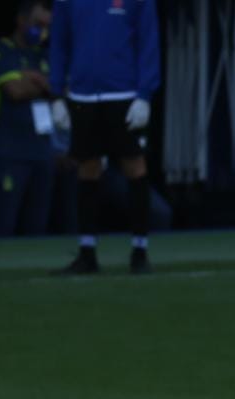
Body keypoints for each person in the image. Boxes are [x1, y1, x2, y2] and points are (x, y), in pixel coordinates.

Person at [49, 0, 159, 274]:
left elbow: (148, 40)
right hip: (82, 95)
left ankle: (140, 251)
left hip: (123, 93)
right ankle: (87, 253)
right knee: (87, 168)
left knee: (134, 166)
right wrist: (56, 93)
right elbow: (59, 42)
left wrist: (145, 94)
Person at [0, 1, 57, 237]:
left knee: (37, 228)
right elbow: (15, 90)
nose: (42, 31)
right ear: (21, 20)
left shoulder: (47, 55)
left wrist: (34, 79)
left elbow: (63, 87)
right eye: (38, 24)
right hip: (10, 153)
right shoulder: (0, 50)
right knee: (3, 225)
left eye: (47, 26)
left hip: (43, 154)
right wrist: (46, 84)